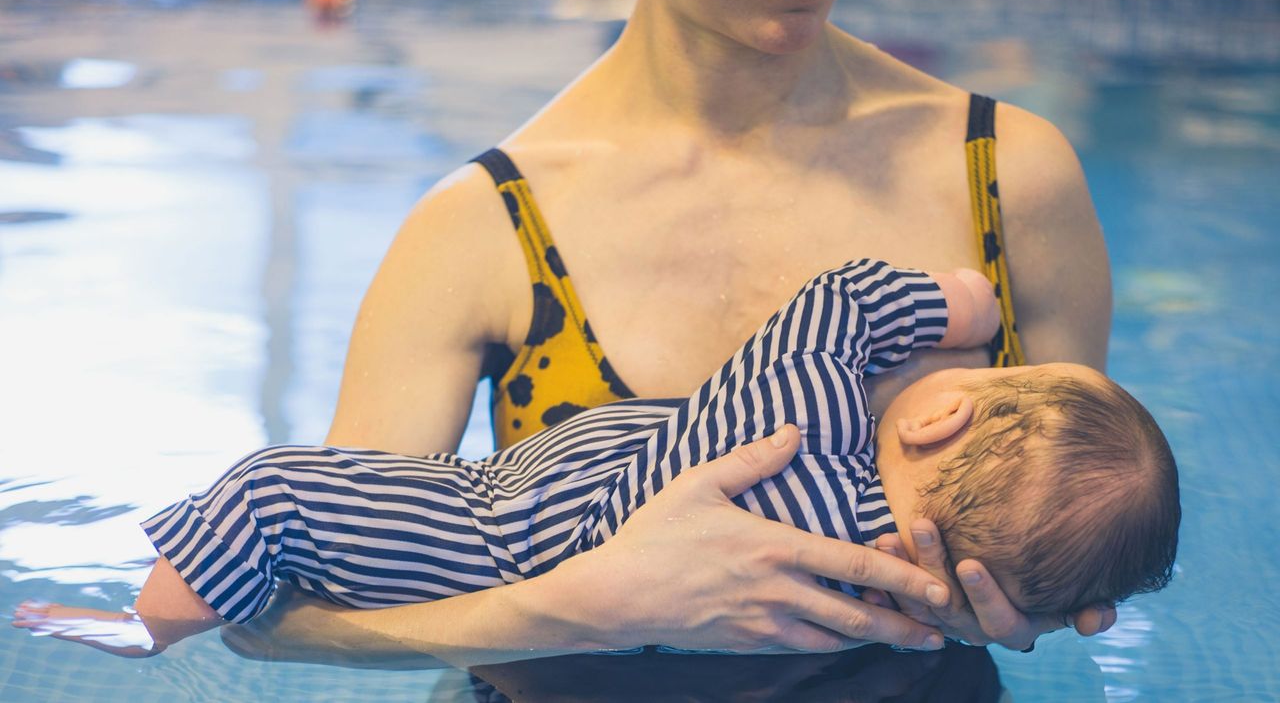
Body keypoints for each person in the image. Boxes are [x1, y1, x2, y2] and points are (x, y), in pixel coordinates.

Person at [216, 0, 1116, 665]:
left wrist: (1019, 604)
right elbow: (271, 614)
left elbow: (1092, 528)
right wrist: (573, 608)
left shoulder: (1007, 176)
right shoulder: (484, 225)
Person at [18, 259, 1169, 660]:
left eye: (989, 367)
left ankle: (141, 623)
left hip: (476, 528)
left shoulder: (800, 404)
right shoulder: (874, 577)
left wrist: (954, 297)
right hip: (523, 554)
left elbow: (842, 297)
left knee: (274, 492)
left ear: (933, 416)